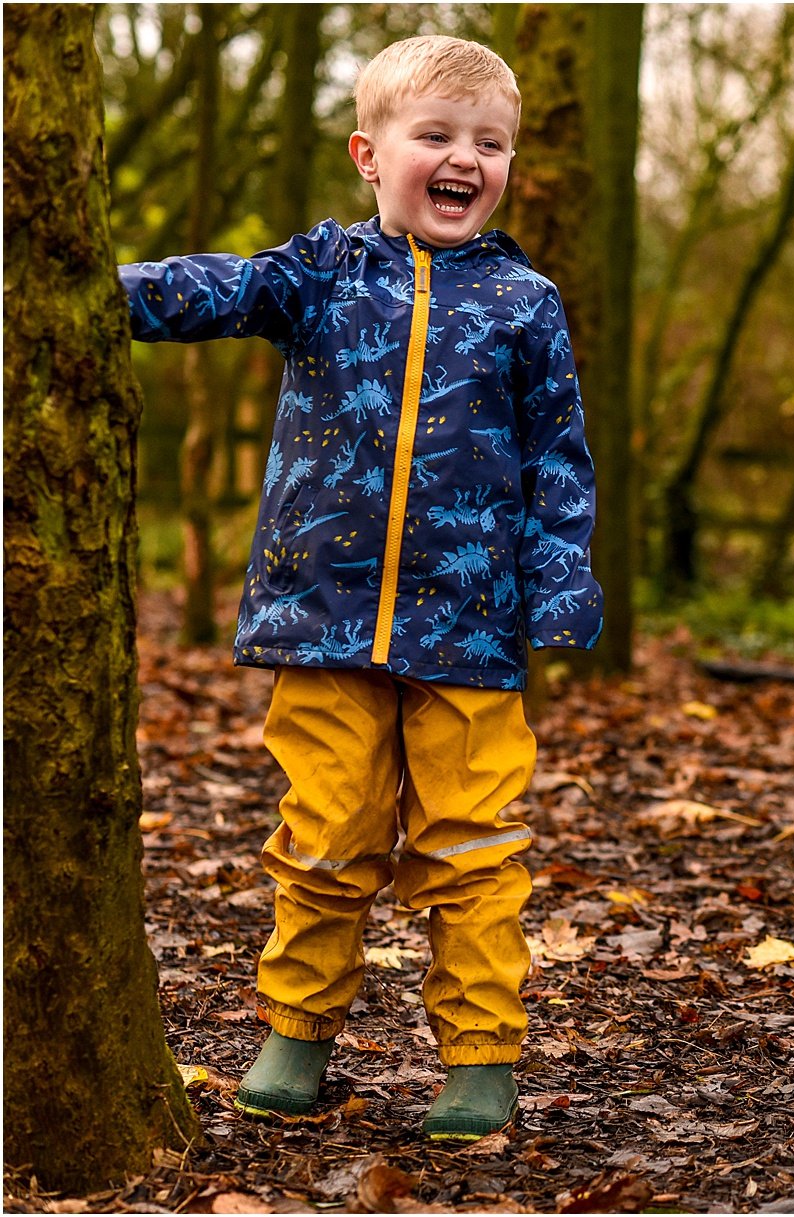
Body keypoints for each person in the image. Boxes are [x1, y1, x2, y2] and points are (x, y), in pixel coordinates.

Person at [118, 34, 602, 1139]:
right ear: (369, 153)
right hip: (322, 617)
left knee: (473, 845)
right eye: (435, 136)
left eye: (490, 143)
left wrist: (561, 581)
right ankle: (297, 1028)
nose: (464, 159)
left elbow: (558, 456)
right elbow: (217, 288)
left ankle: (480, 1054)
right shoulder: (322, 274)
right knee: (325, 835)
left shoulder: (526, 302)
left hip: (472, 632)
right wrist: (100, 291)